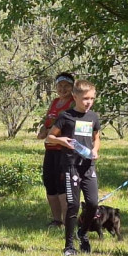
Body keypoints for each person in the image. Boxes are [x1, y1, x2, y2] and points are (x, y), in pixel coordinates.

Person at [45, 79, 101, 256]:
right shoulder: (65, 116)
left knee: (92, 203)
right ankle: (69, 245)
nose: (88, 102)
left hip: (88, 165)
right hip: (70, 166)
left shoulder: (93, 117)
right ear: (75, 97)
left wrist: (95, 150)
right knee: (73, 205)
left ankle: (82, 233)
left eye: (92, 99)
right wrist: (61, 140)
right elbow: (49, 138)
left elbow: (96, 137)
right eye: (85, 98)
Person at [37, 73, 76, 226]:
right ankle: (56, 220)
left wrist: (51, 131)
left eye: (66, 86)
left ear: (73, 87)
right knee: (49, 182)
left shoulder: (73, 103)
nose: (63, 89)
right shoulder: (54, 102)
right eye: (60, 86)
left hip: (64, 150)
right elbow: (47, 121)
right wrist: (43, 130)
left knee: (63, 186)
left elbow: (65, 124)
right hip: (50, 149)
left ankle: (68, 223)